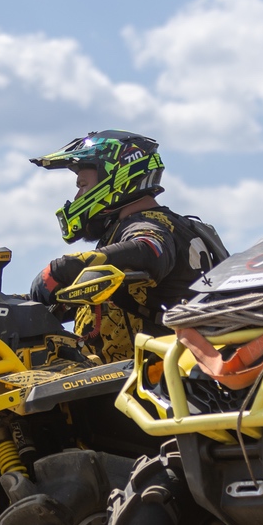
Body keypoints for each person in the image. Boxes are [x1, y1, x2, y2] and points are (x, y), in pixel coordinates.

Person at [28, 130, 225, 363]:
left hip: (149, 376)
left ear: (115, 177)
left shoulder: (148, 225)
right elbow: (90, 298)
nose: (78, 196)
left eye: (82, 184)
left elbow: (150, 250)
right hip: (141, 374)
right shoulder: (161, 226)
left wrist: (62, 268)